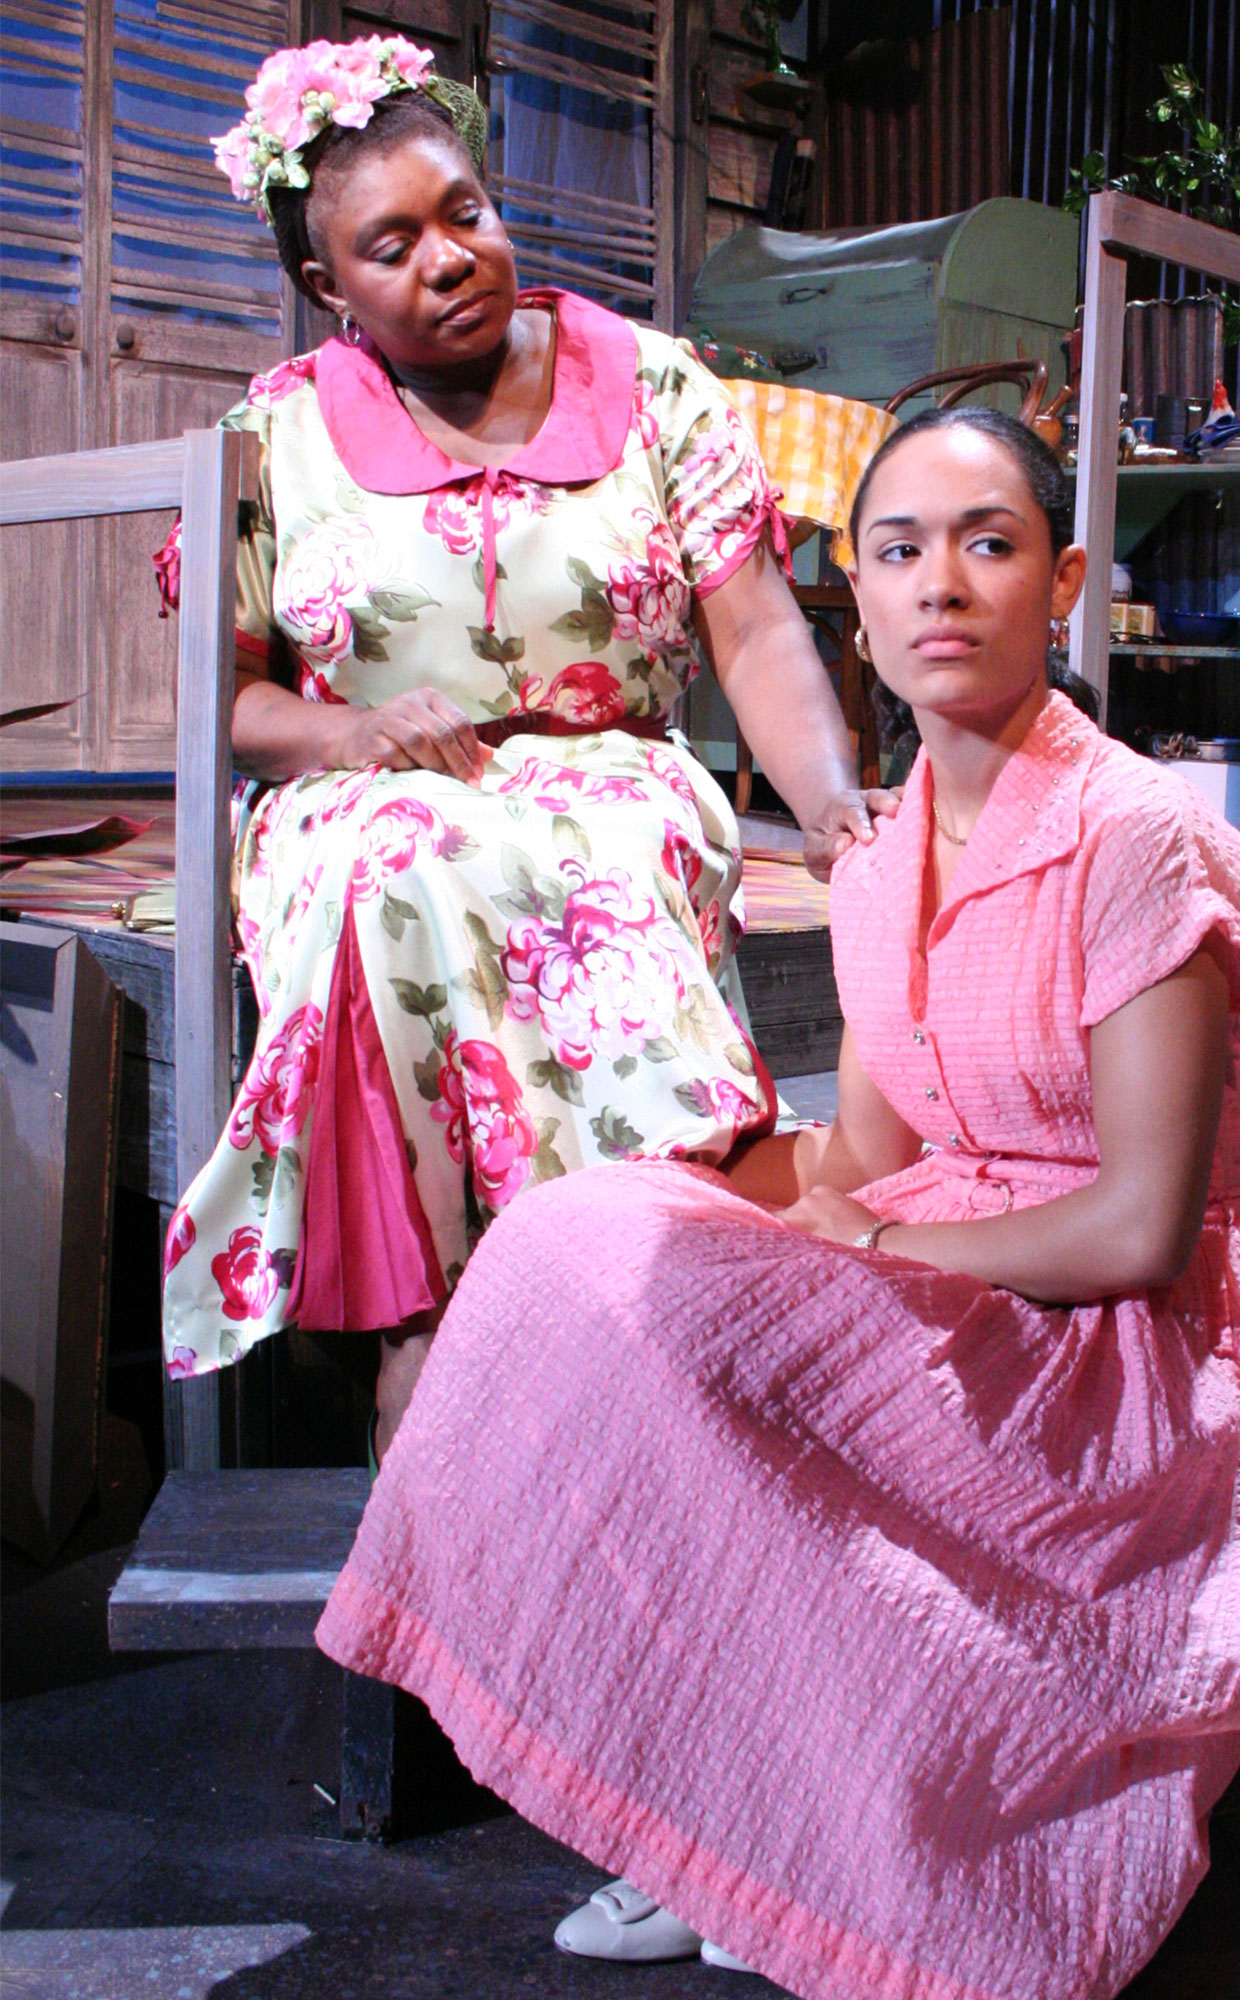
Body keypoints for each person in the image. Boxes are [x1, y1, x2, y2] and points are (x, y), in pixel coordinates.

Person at [316, 405, 1240, 1998]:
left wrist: (866, 1248)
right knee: (589, 1259)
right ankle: (716, 1819)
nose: (942, 585)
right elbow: (860, 1155)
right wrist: (699, 1201)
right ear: (852, 597)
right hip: (954, 1269)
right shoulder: (873, 857)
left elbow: (1139, 1227)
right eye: (899, 550)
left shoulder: (1133, 840)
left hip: (1119, 1351)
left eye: (988, 545)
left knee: (680, 1297)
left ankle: (828, 1852)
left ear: (1061, 583)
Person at [157, 37, 890, 1453]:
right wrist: (349, 730)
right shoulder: (279, 432)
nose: (449, 257)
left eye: (466, 213)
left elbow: (750, 634)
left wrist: (832, 806)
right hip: (365, 782)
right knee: (397, 860)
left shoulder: (656, 384)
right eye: (392, 245)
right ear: (328, 289)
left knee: (592, 851)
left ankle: (634, 1282)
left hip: (609, 775)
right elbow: (231, 699)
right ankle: (430, 1318)